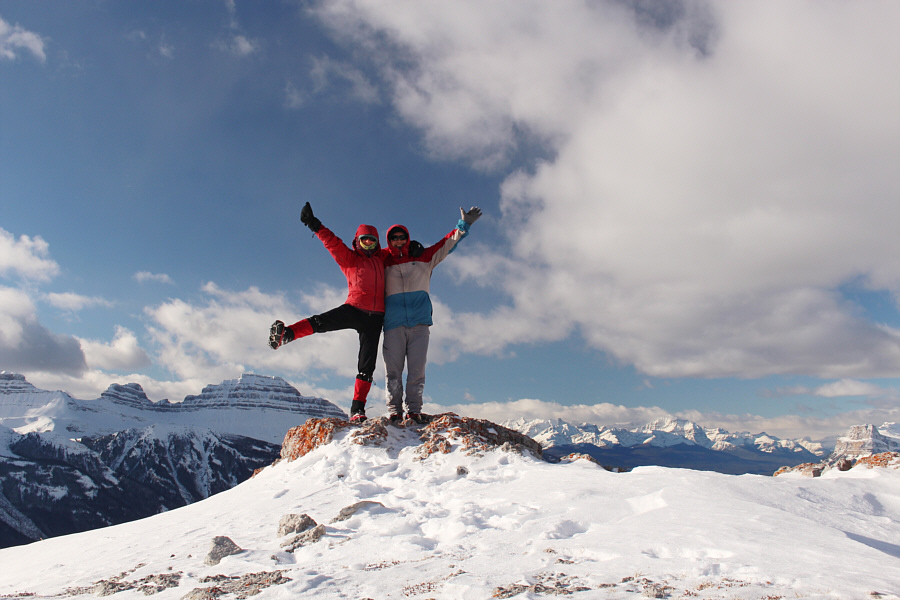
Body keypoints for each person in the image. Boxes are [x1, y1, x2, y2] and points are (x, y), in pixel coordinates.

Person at [268, 202, 389, 423]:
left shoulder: (384, 258)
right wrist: (315, 225)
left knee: (367, 365)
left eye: (372, 240)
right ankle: (287, 334)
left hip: (376, 318)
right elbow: (333, 243)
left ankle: (357, 409)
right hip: (354, 309)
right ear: (358, 241)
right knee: (320, 322)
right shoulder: (351, 258)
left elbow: (402, 251)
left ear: (377, 242)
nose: (368, 243)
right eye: (364, 239)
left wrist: (413, 249)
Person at [381, 207, 482, 424]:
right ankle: (394, 411)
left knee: (417, 370)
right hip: (393, 324)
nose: (398, 241)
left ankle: (414, 411)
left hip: (420, 324)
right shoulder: (382, 260)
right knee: (393, 372)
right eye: (394, 238)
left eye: (402, 237)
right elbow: (361, 259)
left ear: (408, 238)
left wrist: (464, 225)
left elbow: (446, 245)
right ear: (388, 240)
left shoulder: (425, 257)